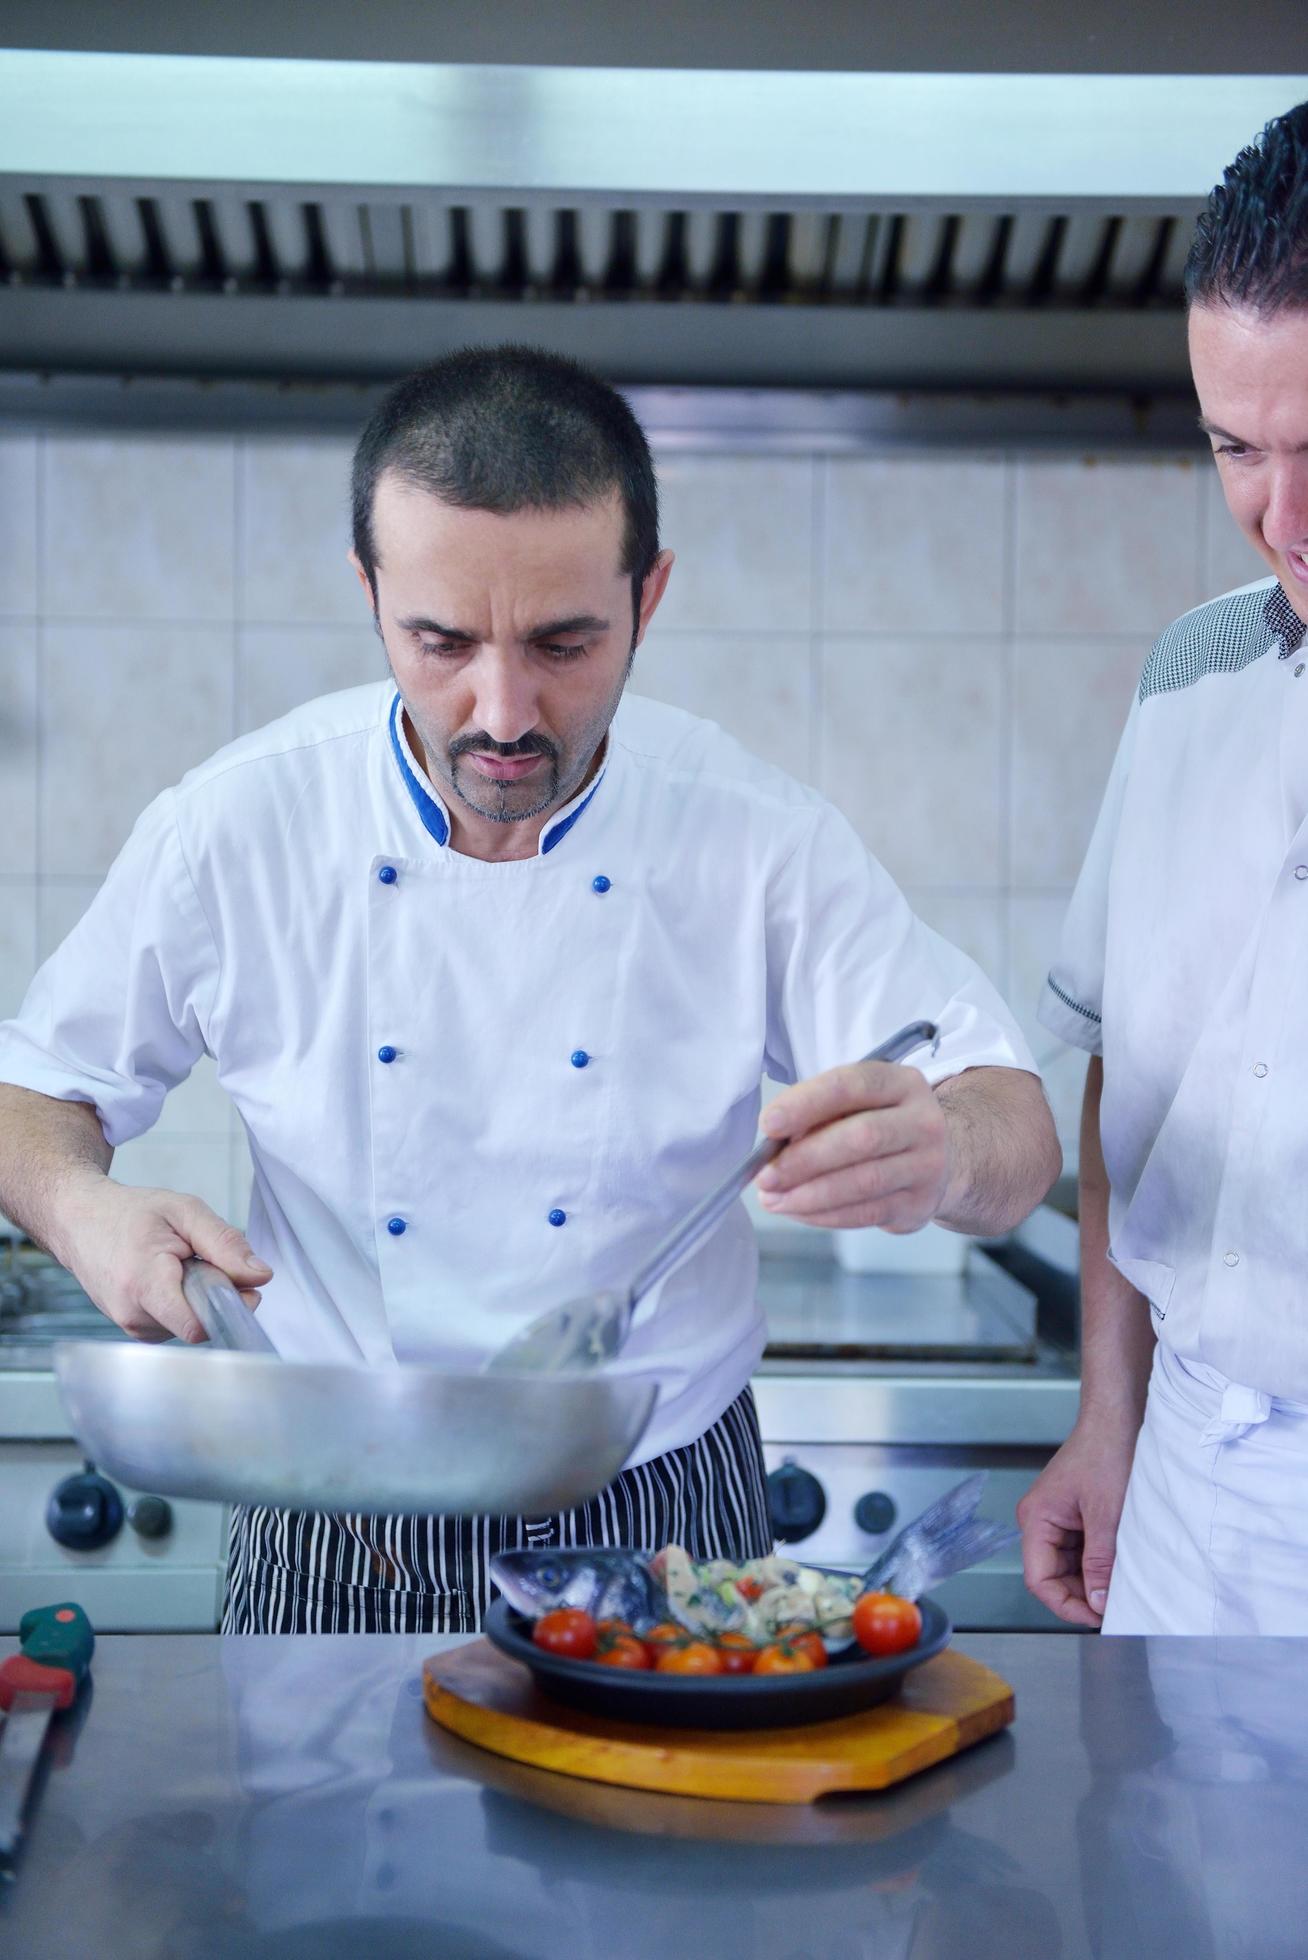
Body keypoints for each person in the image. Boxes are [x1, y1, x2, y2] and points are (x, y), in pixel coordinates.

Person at [0, 346, 1059, 1632]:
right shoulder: (236, 827)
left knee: (665, 1832)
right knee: (296, 1842)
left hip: (658, 1501)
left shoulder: (752, 836)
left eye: (564, 641)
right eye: (440, 640)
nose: (503, 712)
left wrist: (942, 1150)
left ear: (648, 597)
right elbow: (35, 1094)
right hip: (338, 1504)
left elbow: (1017, 1125)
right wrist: (79, 1204)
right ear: (369, 591)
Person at [1020, 101, 1308, 1634]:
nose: (1286, 519)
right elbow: (1133, 1077)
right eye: (1236, 450)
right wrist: (1109, 1414)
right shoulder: (1193, 673)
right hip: (1192, 1486)